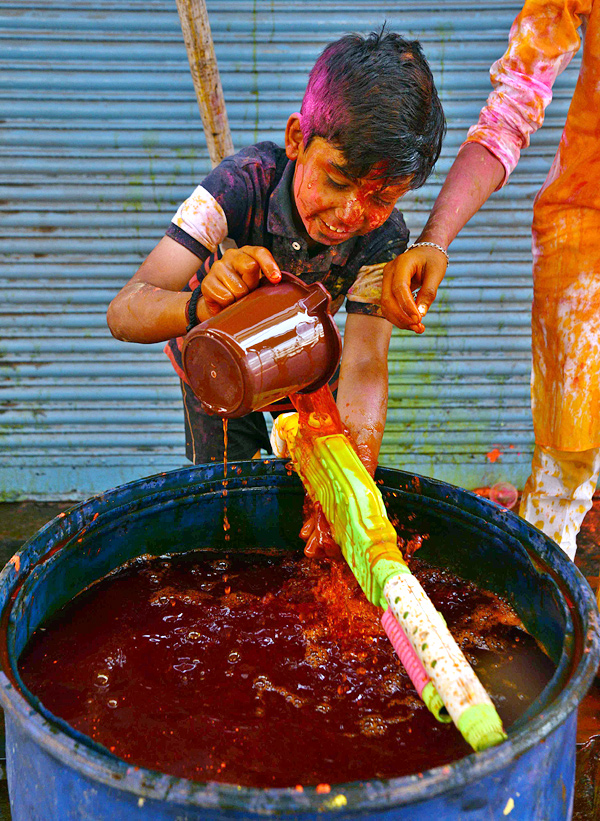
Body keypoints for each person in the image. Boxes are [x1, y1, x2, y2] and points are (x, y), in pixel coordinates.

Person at [107, 29, 445, 483]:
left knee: (316, 491)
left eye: (380, 198)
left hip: (308, 362)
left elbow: (365, 360)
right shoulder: (238, 186)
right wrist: (200, 308)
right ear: (296, 139)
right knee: (227, 492)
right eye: (337, 181)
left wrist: (355, 475)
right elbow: (125, 310)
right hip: (218, 359)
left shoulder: (383, 237)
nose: (350, 214)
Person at [380, 0, 600, 561]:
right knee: (565, 465)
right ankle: (548, 602)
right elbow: (511, 110)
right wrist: (434, 239)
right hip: (587, 243)